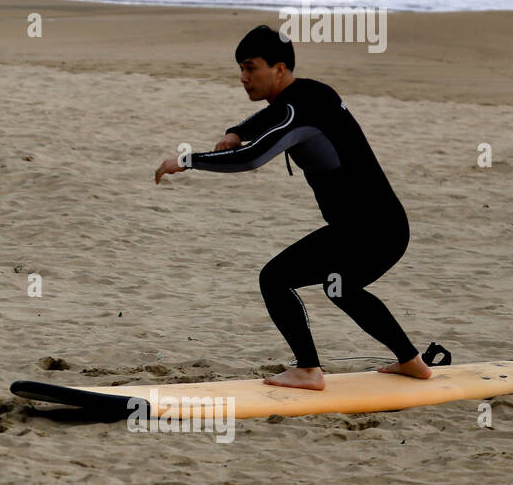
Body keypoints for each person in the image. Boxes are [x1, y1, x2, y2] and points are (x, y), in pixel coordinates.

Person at [153, 25, 432, 390]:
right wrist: (237, 128)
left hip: (371, 229)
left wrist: (189, 160)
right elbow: (272, 118)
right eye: (240, 69)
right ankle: (412, 362)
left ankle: (308, 370)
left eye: (251, 68)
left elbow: (252, 158)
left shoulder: (300, 109)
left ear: (279, 68)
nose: (243, 78)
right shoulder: (313, 94)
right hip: (378, 226)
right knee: (340, 286)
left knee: (275, 278)